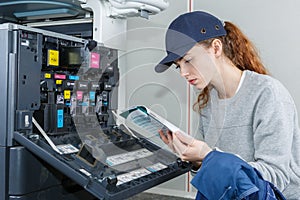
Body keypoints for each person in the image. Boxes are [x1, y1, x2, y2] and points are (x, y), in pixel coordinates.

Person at [155, 11, 300, 199]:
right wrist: (195, 159)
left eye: (188, 60)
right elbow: (210, 174)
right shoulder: (207, 101)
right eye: (178, 65)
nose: (183, 72)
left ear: (216, 48)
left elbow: (276, 177)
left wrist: (210, 157)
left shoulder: (267, 93)